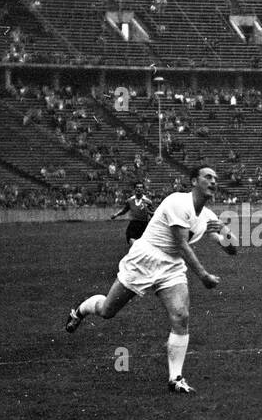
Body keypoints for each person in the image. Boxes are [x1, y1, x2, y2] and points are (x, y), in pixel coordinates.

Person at [66, 167, 237, 394]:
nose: (214, 181)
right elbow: (182, 244)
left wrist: (224, 230)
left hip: (172, 266)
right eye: (208, 177)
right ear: (194, 181)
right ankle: (80, 311)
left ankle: (175, 378)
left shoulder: (208, 217)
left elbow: (233, 248)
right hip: (145, 258)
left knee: (181, 315)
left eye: (216, 178)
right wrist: (203, 275)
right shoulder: (179, 202)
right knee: (107, 310)